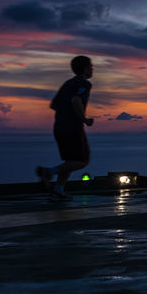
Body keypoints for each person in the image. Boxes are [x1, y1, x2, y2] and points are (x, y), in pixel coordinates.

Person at [35, 55, 94, 201]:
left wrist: (64, 113)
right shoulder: (84, 84)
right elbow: (76, 100)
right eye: (91, 66)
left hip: (59, 127)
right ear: (86, 69)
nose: (93, 69)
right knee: (82, 161)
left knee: (70, 160)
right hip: (72, 128)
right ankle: (49, 172)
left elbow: (53, 105)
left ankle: (58, 189)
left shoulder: (67, 83)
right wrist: (84, 119)